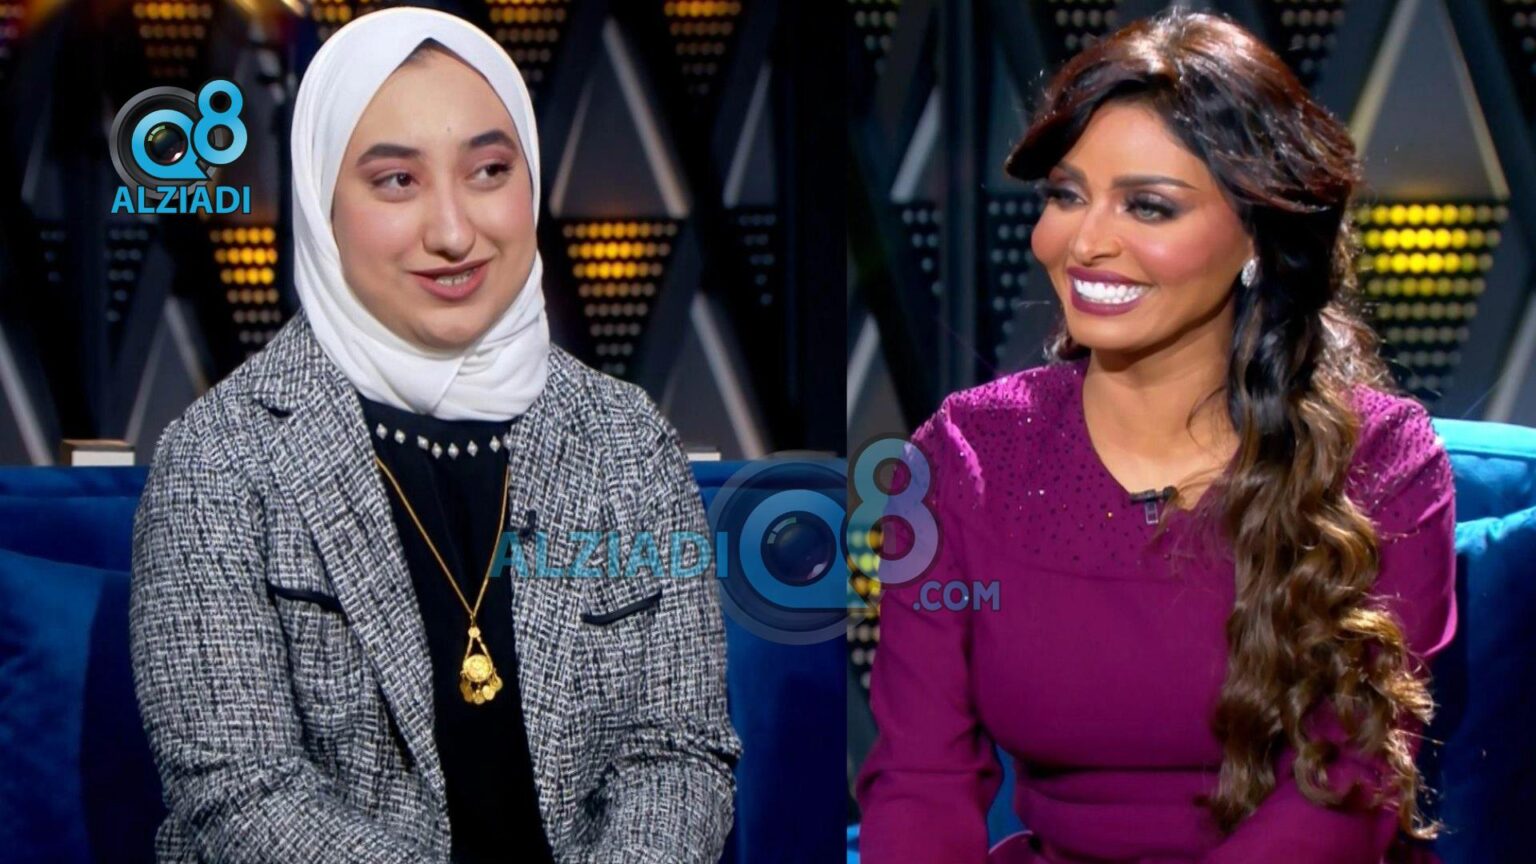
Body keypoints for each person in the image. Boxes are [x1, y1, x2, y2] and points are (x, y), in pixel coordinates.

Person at [129, 8, 740, 863]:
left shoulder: (625, 440)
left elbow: (678, 754)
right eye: (396, 181)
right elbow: (240, 790)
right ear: (320, 202)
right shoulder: (223, 456)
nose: (454, 233)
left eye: (489, 171)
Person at [856, 9, 1455, 864]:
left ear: (1256, 234)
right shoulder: (965, 457)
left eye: (1148, 205)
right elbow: (920, 782)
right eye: (1066, 195)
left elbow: (1346, 790)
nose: (1085, 242)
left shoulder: (1382, 461)